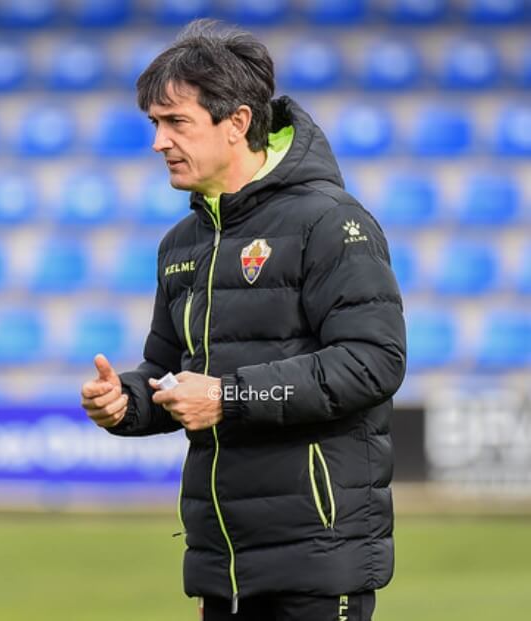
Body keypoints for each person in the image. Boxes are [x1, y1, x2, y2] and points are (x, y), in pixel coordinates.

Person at [80, 21, 405, 621]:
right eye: (153, 123)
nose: (159, 141)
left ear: (237, 123)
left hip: (317, 560)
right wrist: (125, 402)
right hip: (222, 563)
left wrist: (230, 396)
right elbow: (169, 372)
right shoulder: (182, 242)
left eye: (176, 122)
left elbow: (373, 362)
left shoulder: (331, 223)